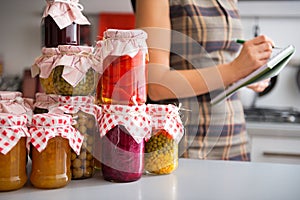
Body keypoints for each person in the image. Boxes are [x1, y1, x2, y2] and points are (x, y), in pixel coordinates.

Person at [131, 0, 274, 161]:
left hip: (235, 138)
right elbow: (156, 85)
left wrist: (249, 74)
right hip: (187, 142)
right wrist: (235, 70)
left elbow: (222, 63)